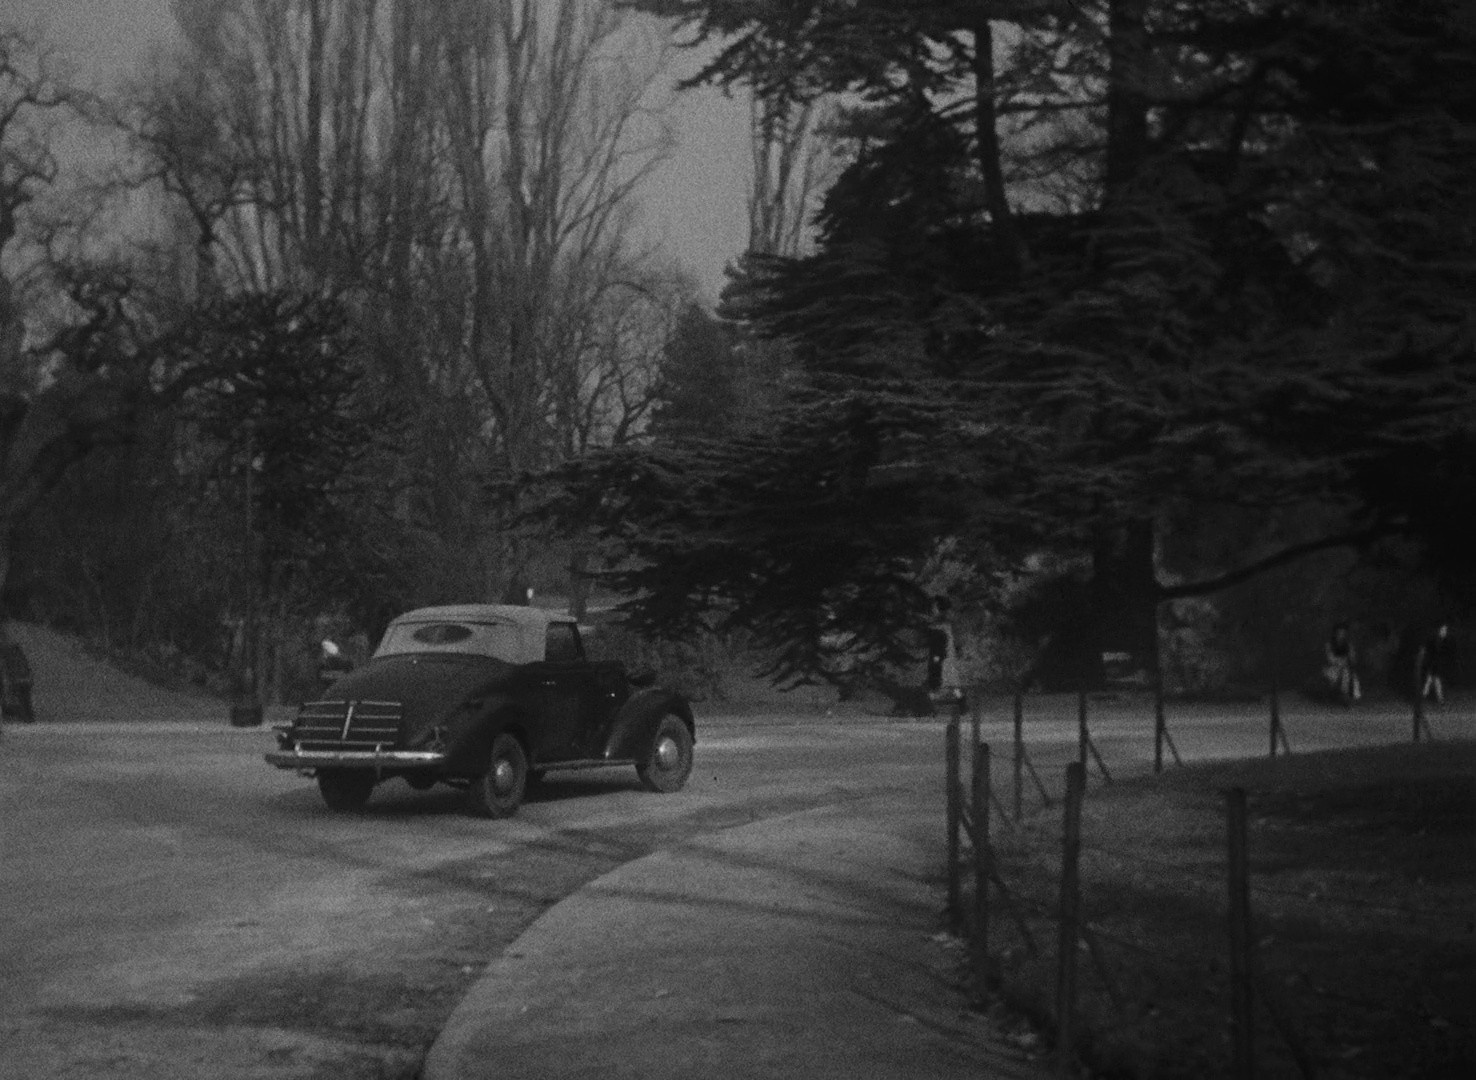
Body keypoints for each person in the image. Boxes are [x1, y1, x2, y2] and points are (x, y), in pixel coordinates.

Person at [1323, 622, 1361, 705]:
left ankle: (1346, 696)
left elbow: (1353, 659)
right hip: (1331, 669)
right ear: (1335, 634)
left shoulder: (1348, 645)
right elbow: (1330, 659)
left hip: (1345, 669)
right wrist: (1341, 662)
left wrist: (1349, 659)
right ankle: (1330, 696)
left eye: (1343, 633)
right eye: (1339, 633)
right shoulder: (1329, 645)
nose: (1341, 635)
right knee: (1334, 678)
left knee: (1348, 675)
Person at [1416, 622, 1453, 705]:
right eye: (1443, 630)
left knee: (1431, 681)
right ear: (1439, 630)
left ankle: (1425, 697)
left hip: (1435, 664)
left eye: (1445, 630)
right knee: (1434, 681)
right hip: (1433, 663)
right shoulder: (1434, 640)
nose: (1445, 632)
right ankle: (1438, 699)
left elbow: (1444, 653)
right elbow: (1428, 651)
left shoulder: (1443, 641)